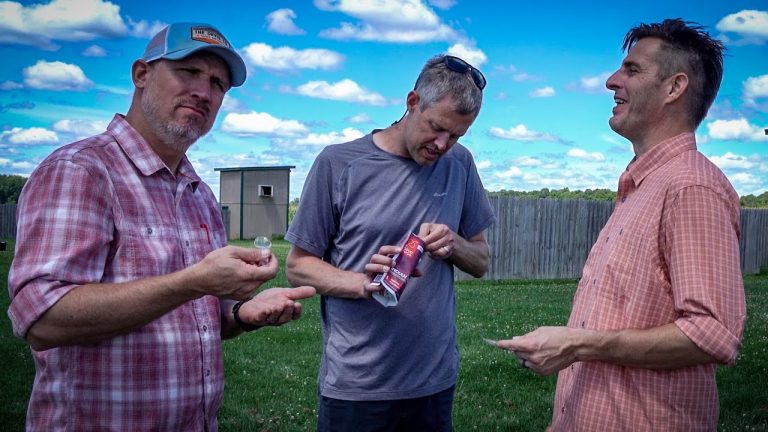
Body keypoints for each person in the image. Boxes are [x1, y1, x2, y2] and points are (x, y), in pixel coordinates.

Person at [7, 22, 315, 431]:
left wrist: (242, 313)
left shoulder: (198, 192)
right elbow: (42, 320)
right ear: (142, 74)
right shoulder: (82, 170)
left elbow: (194, 316)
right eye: (188, 71)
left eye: (218, 84)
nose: (204, 92)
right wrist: (192, 282)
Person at [496, 18, 746, 431]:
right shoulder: (642, 185)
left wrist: (579, 344)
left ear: (674, 88)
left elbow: (712, 333)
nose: (612, 81)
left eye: (632, 69)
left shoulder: (691, 187)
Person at [285, 55, 496, 431]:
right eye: (437, 128)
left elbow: (480, 261)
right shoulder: (339, 163)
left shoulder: (460, 164)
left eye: (456, 136)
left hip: (433, 382)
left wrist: (454, 244)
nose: (442, 145)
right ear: (412, 102)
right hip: (357, 385)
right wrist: (362, 283)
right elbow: (298, 265)